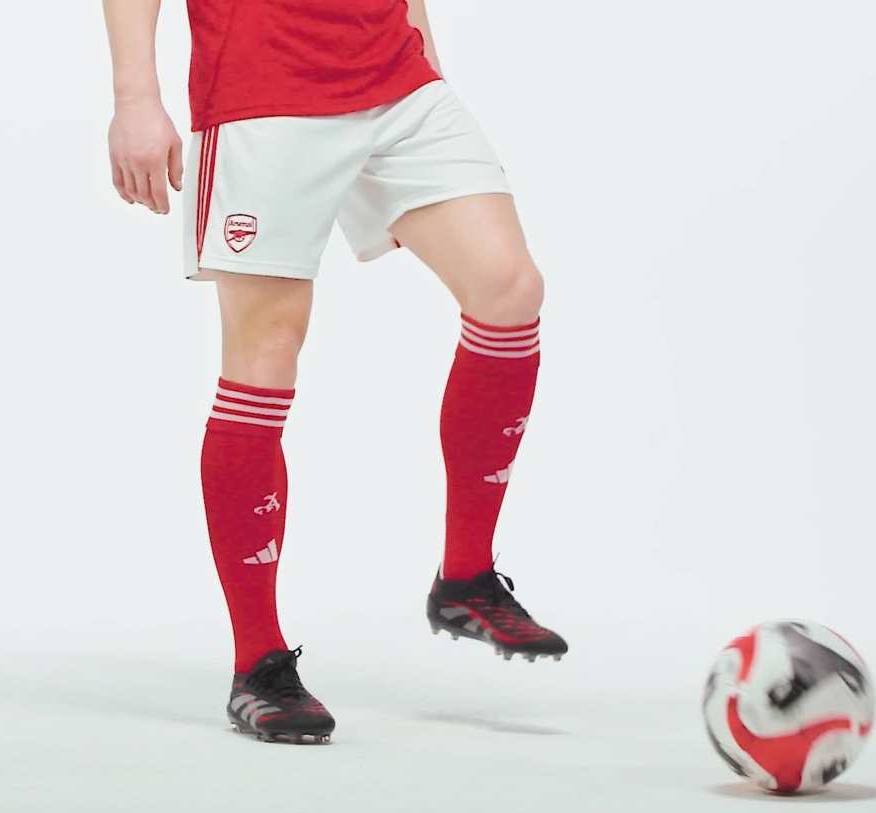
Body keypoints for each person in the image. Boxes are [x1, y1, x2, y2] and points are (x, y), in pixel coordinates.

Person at [101, 0, 566, 744]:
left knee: (509, 290)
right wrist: (135, 96)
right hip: (262, 92)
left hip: (396, 75)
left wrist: (427, 57)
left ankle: (465, 578)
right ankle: (257, 663)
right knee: (265, 356)